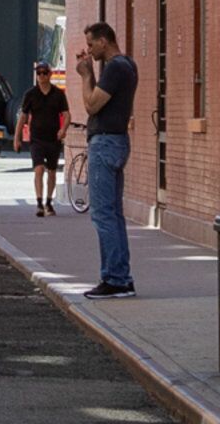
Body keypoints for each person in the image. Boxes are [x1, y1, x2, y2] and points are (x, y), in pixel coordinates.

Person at [75, 22, 138, 296]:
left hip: (106, 143)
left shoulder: (115, 68)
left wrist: (86, 75)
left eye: (91, 44)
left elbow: (91, 105)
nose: (89, 50)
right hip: (116, 141)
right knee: (114, 214)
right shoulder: (128, 66)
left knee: (103, 214)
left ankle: (114, 278)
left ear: (104, 41)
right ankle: (121, 277)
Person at [20, 64, 71, 216]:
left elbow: (67, 114)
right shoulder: (31, 94)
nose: (41, 76)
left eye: (44, 73)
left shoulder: (58, 94)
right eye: (39, 73)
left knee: (52, 171)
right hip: (36, 138)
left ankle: (49, 202)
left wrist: (63, 129)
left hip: (53, 138)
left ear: (50, 75)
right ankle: (39, 203)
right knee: (39, 169)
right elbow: (23, 117)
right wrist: (16, 138)